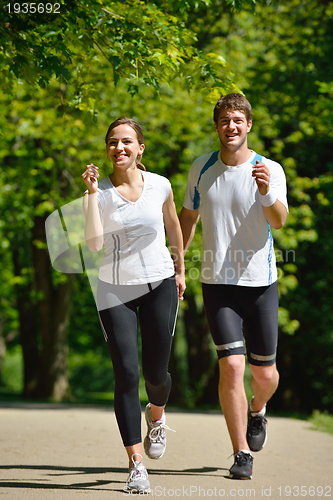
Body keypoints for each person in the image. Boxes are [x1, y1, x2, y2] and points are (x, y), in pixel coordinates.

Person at [179, 94, 288, 480]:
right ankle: (241, 452)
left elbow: (280, 220)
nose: (231, 126)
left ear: (249, 125)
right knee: (231, 366)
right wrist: (176, 262)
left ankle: (258, 409)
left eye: (238, 119)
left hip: (260, 283)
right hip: (217, 283)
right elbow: (188, 218)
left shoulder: (268, 168)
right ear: (217, 126)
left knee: (265, 375)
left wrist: (266, 191)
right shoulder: (202, 168)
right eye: (225, 120)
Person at [82, 117, 185, 493]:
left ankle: (155, 415)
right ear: (107, 149)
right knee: (126, 373)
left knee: (156, 375)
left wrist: (180, 270)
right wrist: (92, 193)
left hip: (159, 283)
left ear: (141, 147)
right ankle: (136, 463)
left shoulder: (160, 185)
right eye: (113, 142)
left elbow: (173, 226)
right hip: (113, 289)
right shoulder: (99, 191)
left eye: (127, 141)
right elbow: (93, 244)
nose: (119, 148)